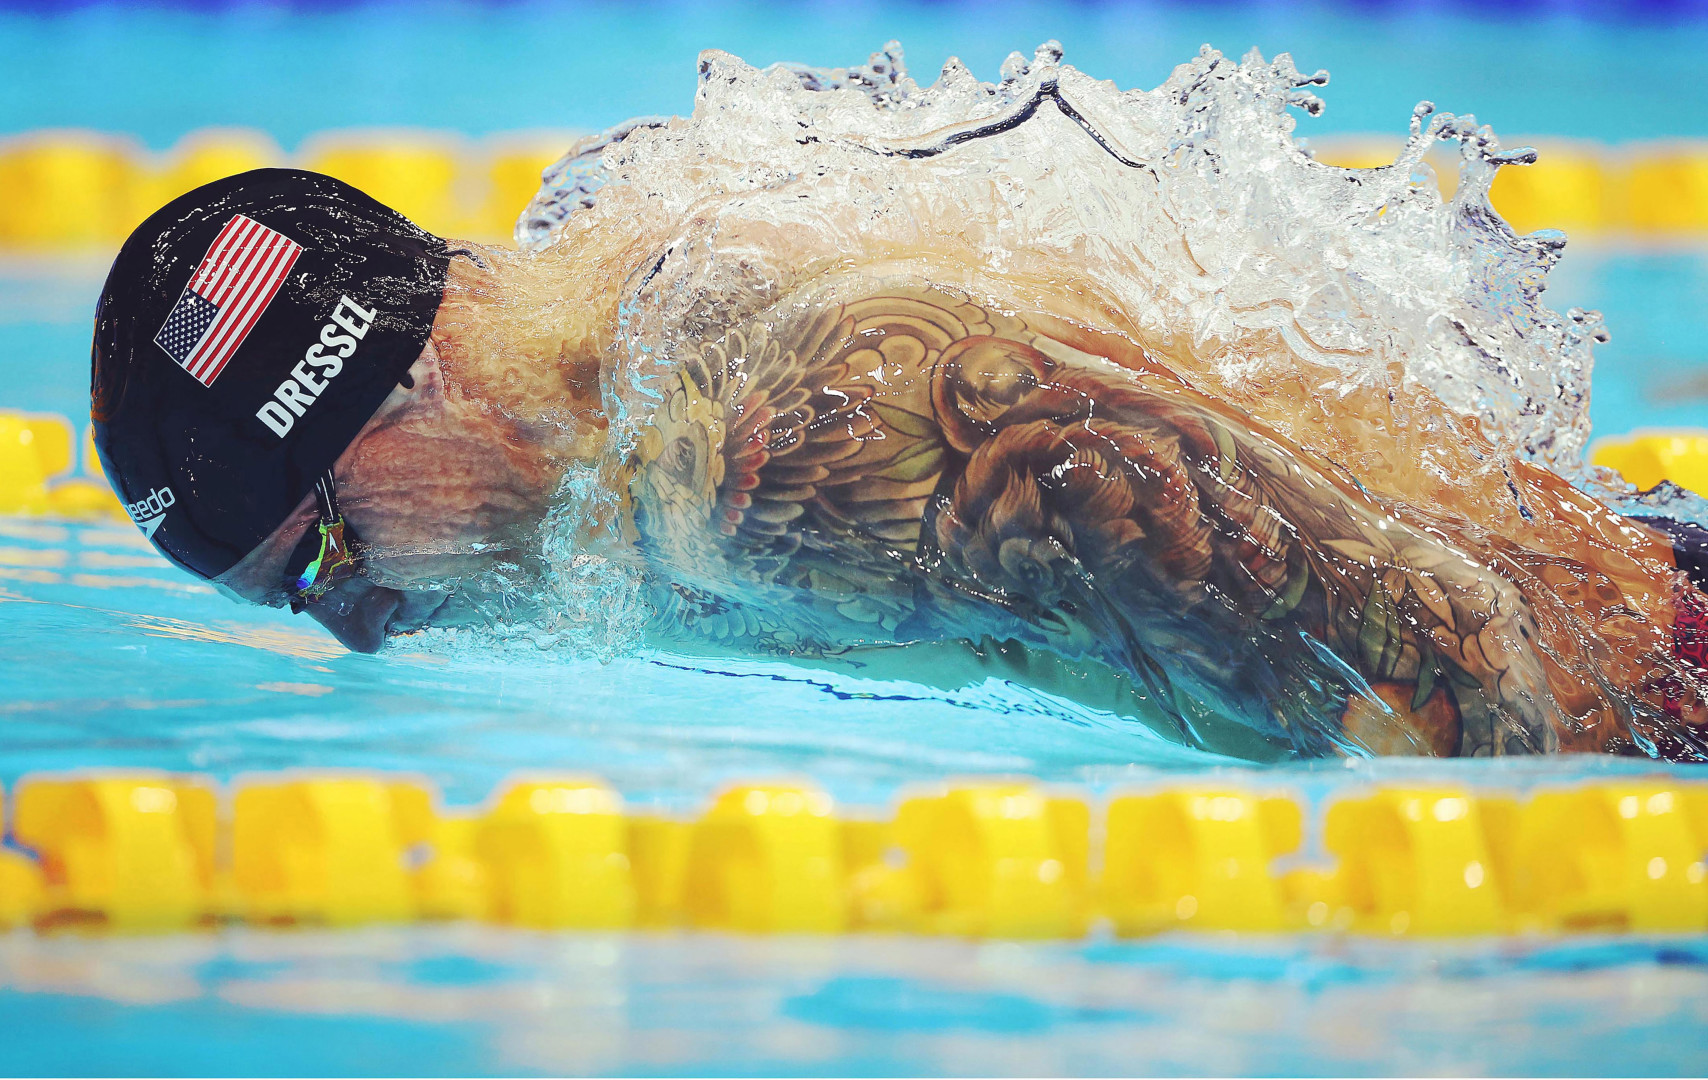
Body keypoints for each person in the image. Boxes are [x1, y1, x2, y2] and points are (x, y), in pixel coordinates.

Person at [92, 169, 1708, 760]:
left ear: (413, 379)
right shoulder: (600, 409)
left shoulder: (768, 454)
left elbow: (1464, 665)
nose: (352, 621)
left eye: (315, 557)